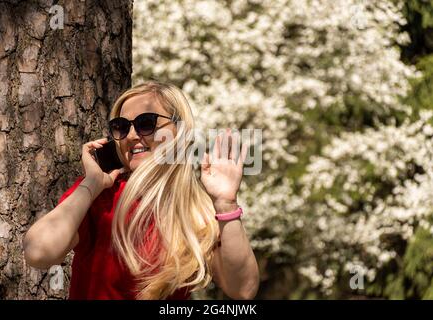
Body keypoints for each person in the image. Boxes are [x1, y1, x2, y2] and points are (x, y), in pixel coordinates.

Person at [23, 81, 259, 300]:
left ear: (179, 130)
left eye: (146, 123)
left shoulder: (196, 208)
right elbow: (38, 252)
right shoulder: (100, 195)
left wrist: (226, 204)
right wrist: (91, 184)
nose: (133, 136)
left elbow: (243, 290)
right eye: (121, 127)